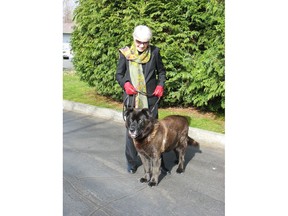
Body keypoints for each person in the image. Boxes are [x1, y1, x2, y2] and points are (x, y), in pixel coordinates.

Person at [116, 25, 166, 173]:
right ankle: (131, 162)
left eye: (145, 42)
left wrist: (160, 85)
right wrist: (125, 84)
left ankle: (156, 160)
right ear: (134, 38)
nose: (142, 45)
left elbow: (161, 72)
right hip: (132, 101)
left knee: (154, 131)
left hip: (150, 101)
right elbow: (119, 74)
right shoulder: (125, 53)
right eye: (139, 41)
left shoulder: (155, 52)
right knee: (132, 132)